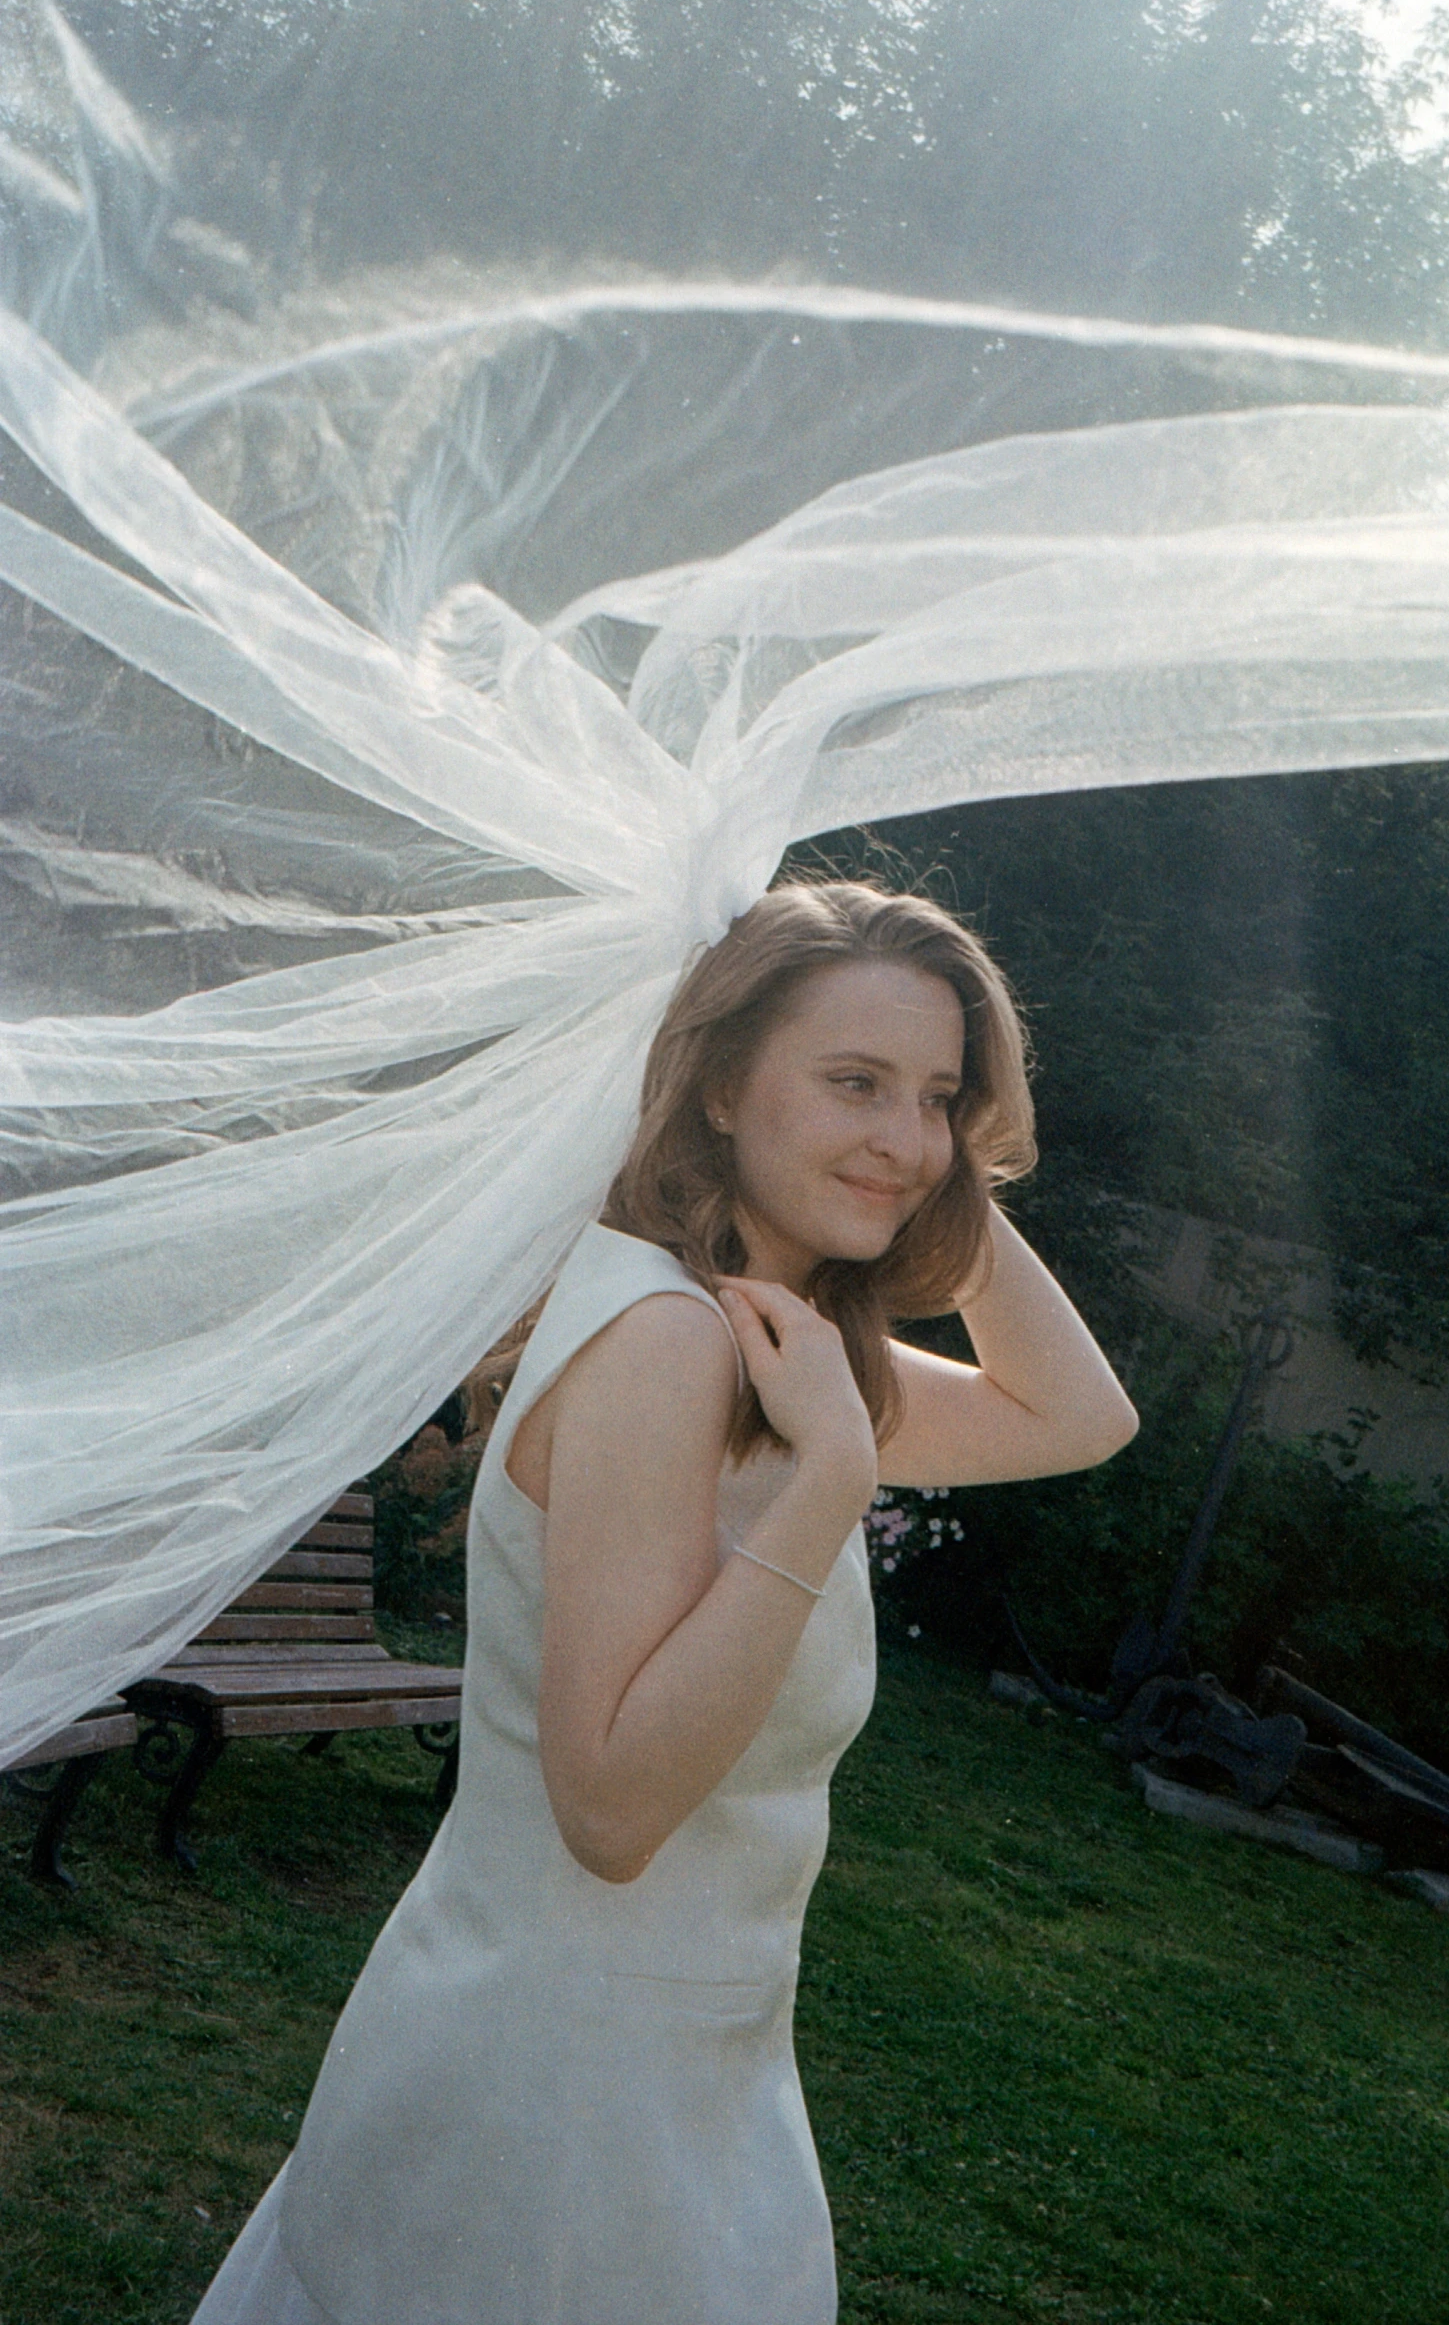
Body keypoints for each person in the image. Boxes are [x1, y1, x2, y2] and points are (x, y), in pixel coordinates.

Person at [191, 878, 1137, 2325]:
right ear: (717, 1087)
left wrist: (921, 1178)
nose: (905, 1136)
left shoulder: (775, 1339)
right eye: (853, 1082)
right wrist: (830, 1481)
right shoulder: (664, 1341)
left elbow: (1076, 1416)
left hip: (689, 2072)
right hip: (559, 2114)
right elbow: (611, 1810)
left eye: (939, 1097)